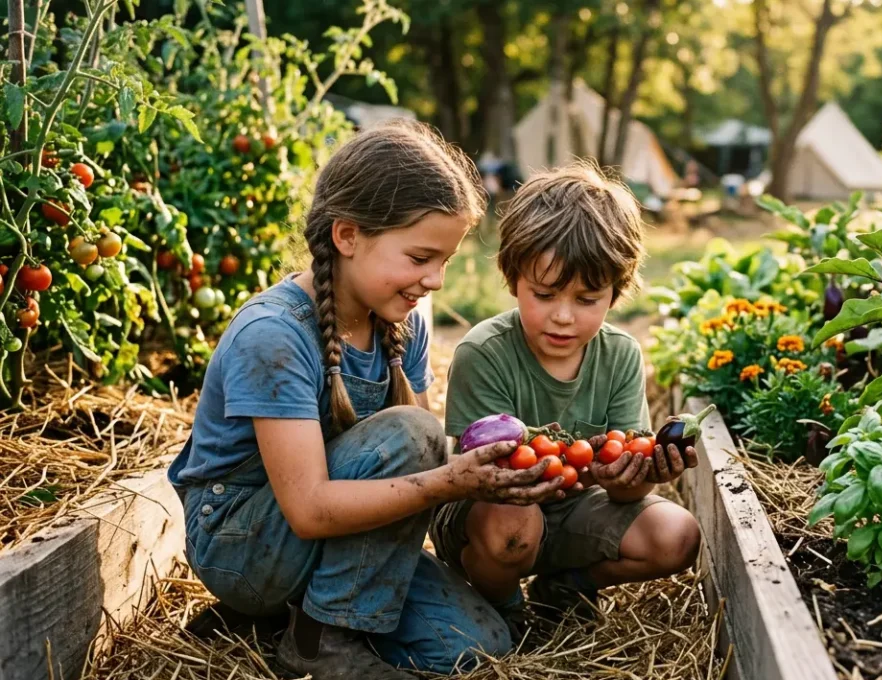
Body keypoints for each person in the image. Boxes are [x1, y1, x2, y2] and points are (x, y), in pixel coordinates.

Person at [166, 120, 569, 679]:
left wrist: (485, 481)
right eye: (420, 257)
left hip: (335, 540)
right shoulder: (274, 336)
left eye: (445, 261)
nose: (435, 281)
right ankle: (321, 641)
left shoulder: (402, 322)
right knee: (414, 432)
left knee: (474, 646)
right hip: (246, 543)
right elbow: (307, 510)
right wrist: (447, 480)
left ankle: (272, 622)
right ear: (348, 235)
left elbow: (421, 475)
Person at [433, 162, 703, 635]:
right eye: (544, 293)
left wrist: (638, 476)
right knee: (514, 527)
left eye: (586, 299)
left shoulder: (619, 356)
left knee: (677, 537)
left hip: (576, 511)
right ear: (513, 277)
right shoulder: (484, 353)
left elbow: (626, 491)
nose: (562, 317)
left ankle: (567, 584)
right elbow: (482, 480)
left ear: (615, 294)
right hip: (493, 513)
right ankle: (504, 609)